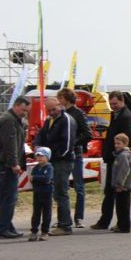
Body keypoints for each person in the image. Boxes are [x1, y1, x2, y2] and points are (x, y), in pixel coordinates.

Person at [91, 91, 131, 229]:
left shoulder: (126, 117)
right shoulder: (116, 114)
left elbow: (125, 139)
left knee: (121, 193)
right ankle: (106, 221)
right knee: (110, 193)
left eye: (115, 103)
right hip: (113, 158)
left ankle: (122, 224)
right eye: (111, 104)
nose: (113, 106)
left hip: (118, 158)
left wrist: (118, 153)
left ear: (122, 101)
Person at [33, 97, 76, 236]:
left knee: (61, 193)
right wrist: (37, 144)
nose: (51, 112)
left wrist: (53, 156)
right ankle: (62, 222)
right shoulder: (50, 120)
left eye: (53, 109)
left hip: (62, 161)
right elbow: (41, 134)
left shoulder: (66, 120)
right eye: (49, 110)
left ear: (60, 105)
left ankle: (65, 225)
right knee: (57, 192)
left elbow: (67, 144)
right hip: (53, 160)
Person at [0, 96, 29, 238]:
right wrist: (14, 163)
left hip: (7, 162)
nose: (25, 113)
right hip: (6, 163)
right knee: (9, 197)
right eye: (23, 110)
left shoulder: (15, 119)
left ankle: (7, 225)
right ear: (17, 105)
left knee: (8, 197)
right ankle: (2, 228)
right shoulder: (9, 120)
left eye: (27, 111)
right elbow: (10, 144)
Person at [57, 88, 92, 228]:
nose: (58, 100)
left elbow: (87, 134)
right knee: (62, 187)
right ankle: (63, 218)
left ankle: (78, 218)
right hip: (62, 155)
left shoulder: (79, 113)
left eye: (60, 98)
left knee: (78, 187)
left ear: (66, 98)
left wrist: (72, 143)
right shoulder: (61, 113)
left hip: (75, 153)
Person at [28, 147, 53, 241]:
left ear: (47, 157)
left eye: (41, 156)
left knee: (46, 213)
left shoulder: (49, 167)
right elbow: (31, 179)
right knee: (36, 213)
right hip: (37, 193)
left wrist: (35, 178)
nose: (39, 158)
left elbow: (47, 179)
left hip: (47, 193)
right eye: (37, 156)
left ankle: (45, 232)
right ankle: (34, 231)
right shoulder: (36, 168)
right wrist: (36, 178)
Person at [110, 133, 131, 232]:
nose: (116, 145)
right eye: (115, 143)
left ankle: (124, 226)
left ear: (125, 144)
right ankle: (120, 224)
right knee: (119, 206)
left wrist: (120, 184)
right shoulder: (119, 155)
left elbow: (124, 171)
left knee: (123, 207)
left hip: (123, 186)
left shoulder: (123, 156)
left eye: (119, 143)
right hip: (120, 185)